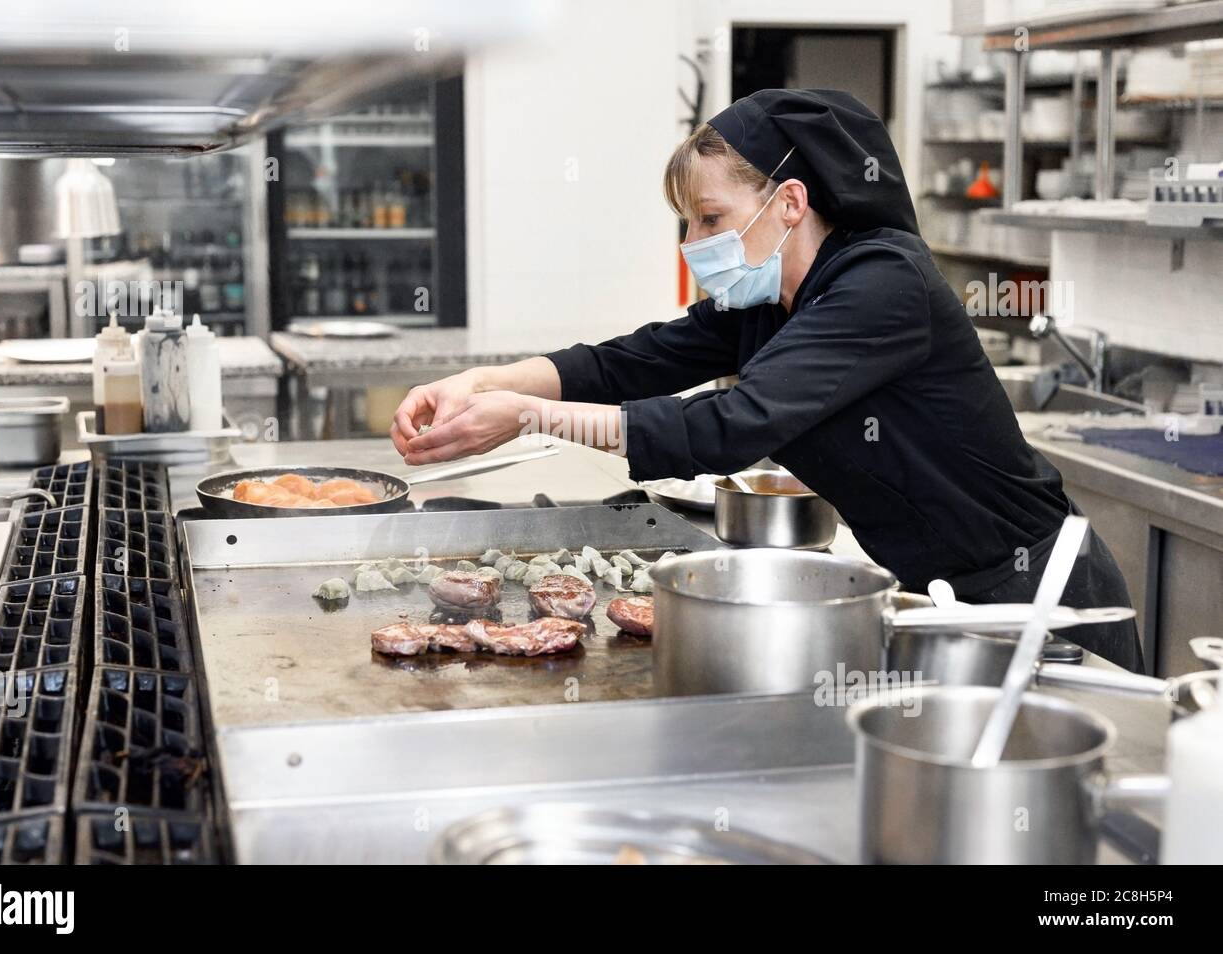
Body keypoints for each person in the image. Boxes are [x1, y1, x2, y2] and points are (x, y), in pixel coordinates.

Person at [390, 88, 1143, 672]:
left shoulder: (883, 281)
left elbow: (729, 425)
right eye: (687, 223)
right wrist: (487, 381)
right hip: (940, 594)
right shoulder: (767, 300)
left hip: (1038, 596)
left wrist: (531, 418)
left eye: (710, 219)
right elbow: (631, 360)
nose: (693, 245)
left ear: (789, 202)